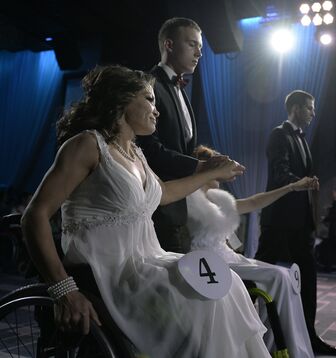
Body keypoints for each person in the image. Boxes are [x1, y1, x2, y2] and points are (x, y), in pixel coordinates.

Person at [21, 65, 271, 357]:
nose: (157, 110)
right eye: (150, 99)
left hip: (148, 259)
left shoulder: (135, 152)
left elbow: (163, 194)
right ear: (122, 99)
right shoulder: (87, 145)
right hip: (109, 272)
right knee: (206, 301)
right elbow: (34, 215)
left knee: (229, 287)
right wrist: (63, 289)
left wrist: (211, 173)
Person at [186, 145, 316, 358]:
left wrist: (291, 187)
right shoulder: (190, 197)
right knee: (279, 276)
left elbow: (255, 202)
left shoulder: (219, 199)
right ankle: (278, 347)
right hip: (208, 262)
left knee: (283, 277)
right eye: (217, 164)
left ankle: (282, 345)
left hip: (229, 256)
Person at [255, 90, 336, 356]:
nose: (313, 113)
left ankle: (309, 336)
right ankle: (249, 335)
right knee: (259, 277)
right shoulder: (278, 134)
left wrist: (308, 185)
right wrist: (300, 182)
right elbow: (279, 174)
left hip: (300, 223)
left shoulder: (303, 139)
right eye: (309, 108)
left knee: (308, 280)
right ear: (294, 108)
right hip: (279, 221)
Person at [137, 17, 219, 254]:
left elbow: (182, 147)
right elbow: (148, 148)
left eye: (200, 48)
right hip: (153, 205)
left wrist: (209, 161)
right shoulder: (148, 85)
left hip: (178, 208)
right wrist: (202, 167)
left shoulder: (181, 91)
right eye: (192, 44)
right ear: (169, 45)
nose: (199, 53)